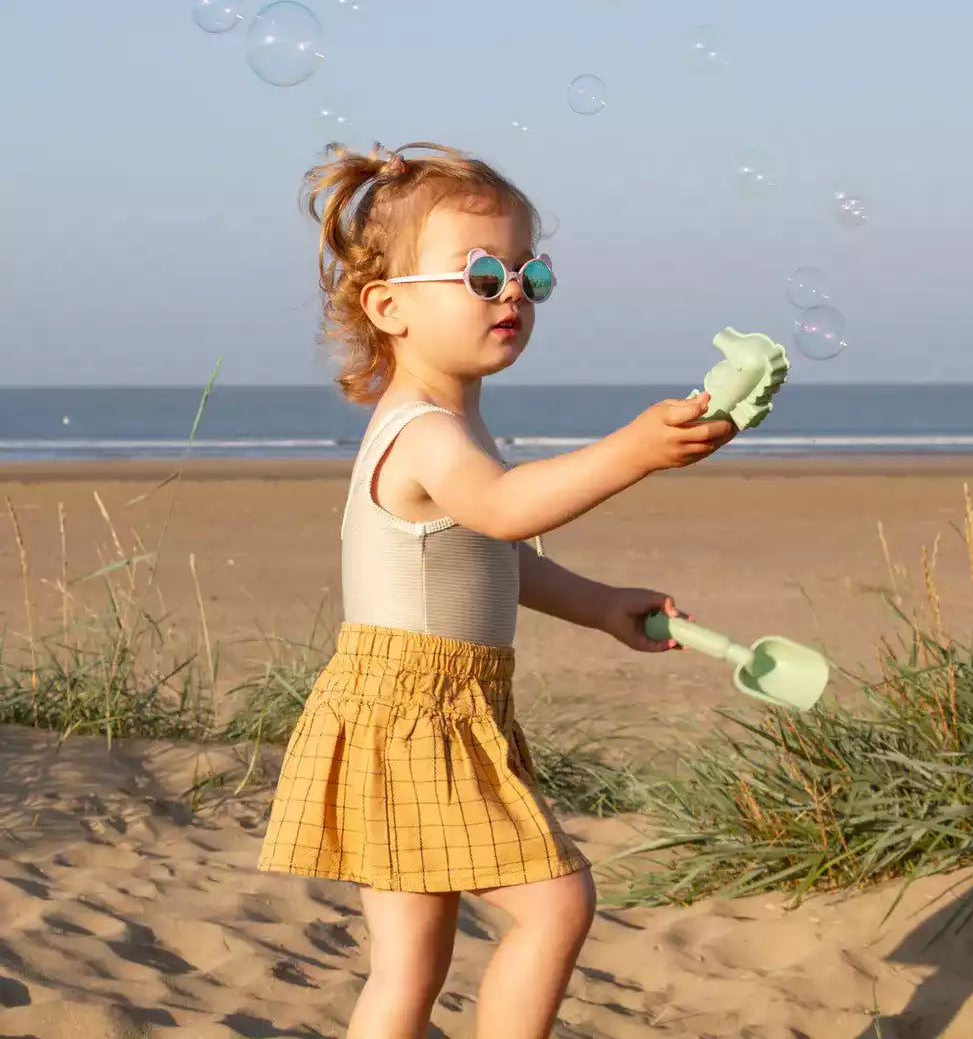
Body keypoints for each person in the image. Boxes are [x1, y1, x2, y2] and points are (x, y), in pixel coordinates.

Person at [257, 140, 737, 1039]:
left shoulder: (446, 421)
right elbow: (508, 511)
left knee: (411, 961)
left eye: (528, 274)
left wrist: (596, 604)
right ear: (389, 308)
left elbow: (488, 555)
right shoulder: (430, 434)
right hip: (416, 714)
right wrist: (633, 450)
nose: (511, 291)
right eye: (479, 275)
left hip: (416, 706)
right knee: (555, 906)